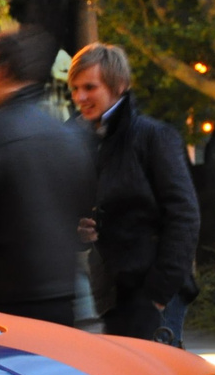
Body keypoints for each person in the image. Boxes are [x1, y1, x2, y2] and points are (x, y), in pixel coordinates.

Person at [0, 27, 94, 325]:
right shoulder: (70, 136)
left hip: (4, 305)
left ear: (1, 71)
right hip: (64, 300)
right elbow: (82, 214)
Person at [68, 43, 199, 344]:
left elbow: (184, 214)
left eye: (90, 87)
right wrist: (78, 230)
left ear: (118, 86)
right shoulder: (85, 138)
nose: (80, 97)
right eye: (75, 88)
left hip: (149, 293)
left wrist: (159, 292)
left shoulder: (153, 137)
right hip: (112, 294)